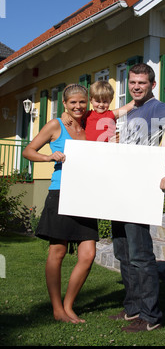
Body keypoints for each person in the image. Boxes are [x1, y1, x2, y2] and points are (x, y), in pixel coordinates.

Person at [110, 63, 165, 333]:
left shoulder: (157, 108)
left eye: (142, 83)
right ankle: (133, 308)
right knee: (122, 252)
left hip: (140, 191)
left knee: (140, 255)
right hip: (121, 189)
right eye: (132, 82)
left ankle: (151, 316)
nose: (136, 86)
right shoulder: (132, 109)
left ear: (152, 85)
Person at [23, 84, 99, 324]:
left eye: (82, 102)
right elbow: (28, 150)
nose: (78, 106)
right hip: (61, 192)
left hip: (86, 194)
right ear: (64, 103)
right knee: (58, 251)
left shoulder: (87, 124)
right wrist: (49, 156)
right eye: (73, 102)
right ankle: (57, 308)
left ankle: (69, 305)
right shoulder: (55, 125)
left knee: (88, 254)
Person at [62, 80, 134, 142]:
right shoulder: (87, 114)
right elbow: (73, 114)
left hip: (107, 149)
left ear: (110, 101)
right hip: (90, 150)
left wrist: (143, 96)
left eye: (105, 102)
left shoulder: (112, 114)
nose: (101, 105)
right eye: (98, 101)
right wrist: (64, 114)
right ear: (91, 100)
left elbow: (130, 105)